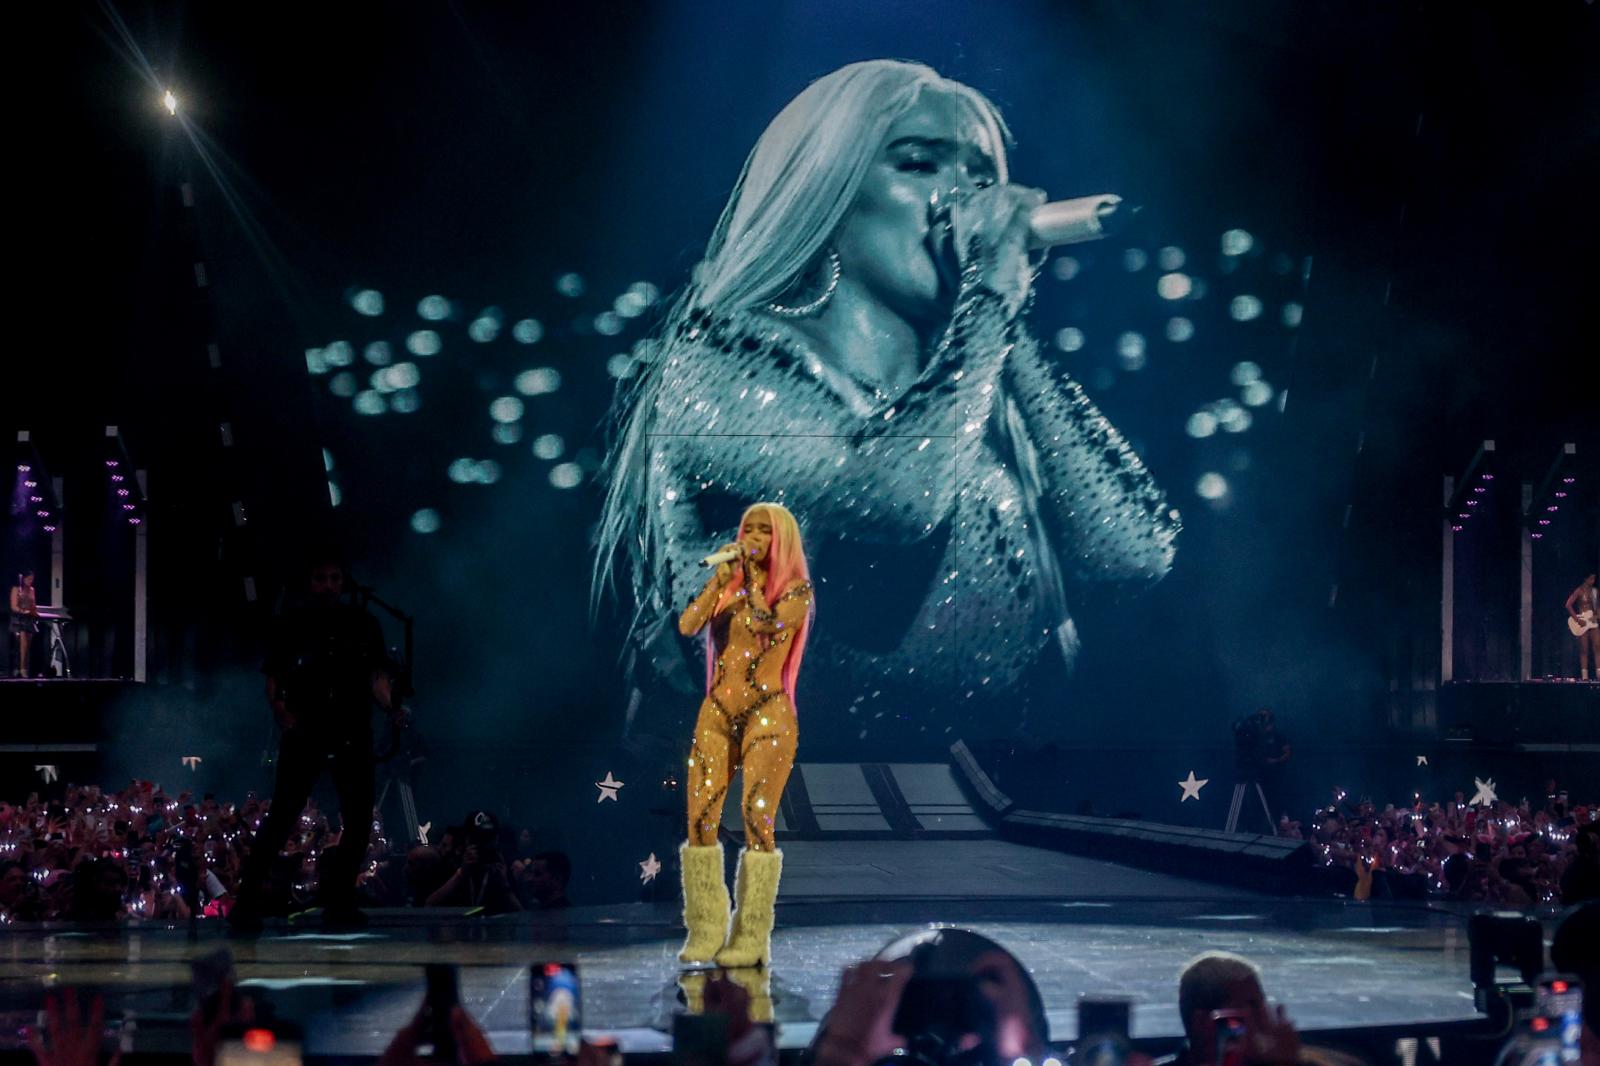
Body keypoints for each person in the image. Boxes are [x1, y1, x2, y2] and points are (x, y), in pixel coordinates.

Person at [595, 60, 1179, 742]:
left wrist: (999, 313)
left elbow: (1135, 551)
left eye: (982, 177)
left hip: (971, 798)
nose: (961, 198)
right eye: (920, 165)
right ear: (830, 191)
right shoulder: (715, 360)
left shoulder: (972, 378)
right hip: (776, 809)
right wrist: (990, 293)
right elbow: (896, 498)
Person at [675, 502, 813, 968]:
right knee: (699, 818)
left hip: (768, 715)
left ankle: (751, 935)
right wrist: (719, 581)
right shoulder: (728, 588)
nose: (751, 537)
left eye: (763, 531)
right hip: (715, 710)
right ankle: (706, 928)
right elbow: (687, 624)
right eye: (747, 529)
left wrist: (751, 581)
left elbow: (765, 626)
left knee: (757, 821)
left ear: (782, 541)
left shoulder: (797, 591)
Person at [229, 555, 397, 934]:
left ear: (344, 581)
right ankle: (248, 900)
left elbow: (376, 676)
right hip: (308, 729)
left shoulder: (363, 623)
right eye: (321, 578)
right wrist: (282, 714)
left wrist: (391, 708)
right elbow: (274, 676)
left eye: (335, 577)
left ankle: (340, 901)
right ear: (311, 582)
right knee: (283, 814)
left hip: (353, 729)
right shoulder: (293, 622)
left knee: (357, 818)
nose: (328, 584)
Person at [1566, 573, 1599, 680]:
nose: (1593, 581)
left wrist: (1597, 615)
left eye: (1594, 578)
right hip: (1583, 622)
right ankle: (1585, 677)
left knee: (1597, 647)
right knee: (1584, 649)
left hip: (1593, 622)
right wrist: (1577, 619)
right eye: (1591, 578)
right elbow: (1568, 604)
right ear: (1585, 579)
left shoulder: (1595, 591)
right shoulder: (1579, 590)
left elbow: (1598, 606)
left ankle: (1599, 674)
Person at [9, 569, 39, 678]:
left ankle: (25, 667)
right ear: (23, 578)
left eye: (32, 579)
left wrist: (34, 612)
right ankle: (21, 669)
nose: (31, 581)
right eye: (29, 579)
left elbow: (33, 605)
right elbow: (13, 606)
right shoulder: (16, 589)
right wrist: (23, 611)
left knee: (28, 645)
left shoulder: (32, 590)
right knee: (23, 643)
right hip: (19, 619)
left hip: (29, 619)